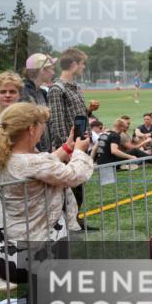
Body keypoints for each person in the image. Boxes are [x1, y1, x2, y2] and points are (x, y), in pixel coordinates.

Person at [0, 102, 92, 304]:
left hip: (21, 237)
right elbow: (74, 175)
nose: (42, 131)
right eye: (40, 126)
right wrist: (80, 153)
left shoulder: (10, 158)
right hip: (41, 239)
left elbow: (42, 164)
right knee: (43, 296)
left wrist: (66, 148)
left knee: (42, 294)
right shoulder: (29, 161)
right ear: (30, 129)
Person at [45, 49, 98, 225]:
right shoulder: (56, 89)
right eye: (82, 63)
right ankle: (69, 225)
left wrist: (89, 111)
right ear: (74, 64)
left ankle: (76, 222)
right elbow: (58, 122)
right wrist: (66, 150)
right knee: (69, 192)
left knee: (78, 190)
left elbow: (75, 115)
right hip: (69, 150)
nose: (83, 66)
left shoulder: (75, 87)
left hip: (79, 147)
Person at [19, 54, 56, 153]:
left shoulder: (40, 92)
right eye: (51, 69)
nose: (53, 72)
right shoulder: (24, 94)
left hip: (43, 153)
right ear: (42, 70)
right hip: (32, 154)